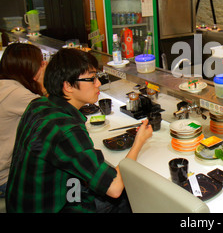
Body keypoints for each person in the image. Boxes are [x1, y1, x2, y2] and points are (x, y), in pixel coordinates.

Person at [6, 48, 153, 213]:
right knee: (125, 199)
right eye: (92, 78)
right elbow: (115, 187)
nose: (98, 83)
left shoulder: (38, 105)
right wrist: (139, 141)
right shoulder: (65, 129)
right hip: (51, 207)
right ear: (68, 86)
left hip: (20, 204)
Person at [0, 43, 47, 198]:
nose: (45, 65)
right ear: (29, 67)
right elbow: (53, 115)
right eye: (41, 62)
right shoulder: (17, 94)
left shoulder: (5, 85)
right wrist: (43, 84)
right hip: (8, 179)